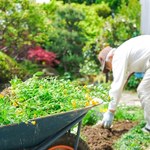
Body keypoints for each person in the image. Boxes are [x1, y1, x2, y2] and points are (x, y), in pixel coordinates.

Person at [98, 35, 150, 133]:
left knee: (144, 90)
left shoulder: (118, 55)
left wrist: (110, 112)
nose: (110, 69)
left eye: (108, 67)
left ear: (109, 57)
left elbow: (116, 86)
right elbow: (123, 81)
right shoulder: (125, 50)